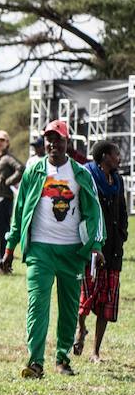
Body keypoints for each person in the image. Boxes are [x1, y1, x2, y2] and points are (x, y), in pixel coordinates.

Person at [3, 120, 106, 379]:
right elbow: (19, 211)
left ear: (67, 143)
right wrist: (10, 245)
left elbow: (95, 212)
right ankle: (35, 362)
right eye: (49, 139)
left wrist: (95, 245)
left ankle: (62, 358)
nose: (52, 144)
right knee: (37, 306)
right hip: (40, 250)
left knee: (69, 309)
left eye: (58, 139)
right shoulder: (34, 170)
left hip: (72, 251)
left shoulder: (81, 173)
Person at [76, 141, 125, 362]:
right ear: (105, 156)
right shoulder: (89, 177)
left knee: (106, 303)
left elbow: (122, 209)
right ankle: (81, 329)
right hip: (92, 246)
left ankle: (95, 351)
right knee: (85, 295)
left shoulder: (118, 180)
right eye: (116, 154)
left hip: (113, 248)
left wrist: (122, 234)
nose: (119, 158)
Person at [0, 131, 24, 273]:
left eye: (3, 140)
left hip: (2, 199)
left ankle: (5, 265)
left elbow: (21, 168)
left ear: (7, 143)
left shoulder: (8, 158)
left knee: (2, 234)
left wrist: (7, 182)